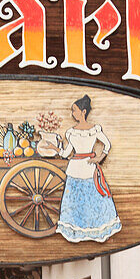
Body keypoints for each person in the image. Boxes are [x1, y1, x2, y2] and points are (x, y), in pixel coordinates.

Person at [52, 95, 122, 243]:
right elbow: (66, 153)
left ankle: (93, 231)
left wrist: (99, 158)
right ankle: (78, 231)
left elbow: (107, 145)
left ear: (83, 112)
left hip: (87, 168)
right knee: (76, 202)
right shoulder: (71, 132)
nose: (73, 114)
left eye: (75, 110)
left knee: (90, 202)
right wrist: (55, 148)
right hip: (76, 168)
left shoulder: (94, 130)